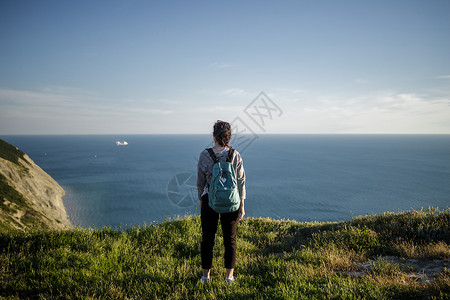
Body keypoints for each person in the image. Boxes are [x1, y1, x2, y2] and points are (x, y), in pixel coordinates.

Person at [197, 120, 246, 284]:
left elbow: (200, 182)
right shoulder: (235, 155)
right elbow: (241, 182)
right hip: (231, 201)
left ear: (214, 136)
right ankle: (229, 277)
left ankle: (205, 277)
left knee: (208, 238)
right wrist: (242, 205)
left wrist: (201, 199)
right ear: (229, 137)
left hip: (210, 199)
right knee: (230, 240)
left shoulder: (205, 155)